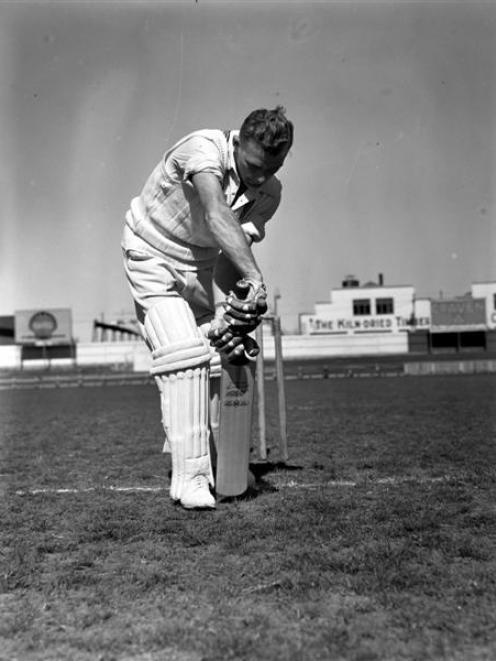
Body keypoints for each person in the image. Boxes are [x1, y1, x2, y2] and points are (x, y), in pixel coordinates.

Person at [122, 106, 293, 509]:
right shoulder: (203, 149)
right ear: (237, 143)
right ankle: (191, 479)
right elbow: (216, 213)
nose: (260, 177)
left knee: (218, 358)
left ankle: (223, 463)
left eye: (273, 167)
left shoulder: (270, 193)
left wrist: (239, 306)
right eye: (253, 165)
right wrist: (257, 280)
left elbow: (230, 257)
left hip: (199, 267)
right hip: (150, 252)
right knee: (185, 358)